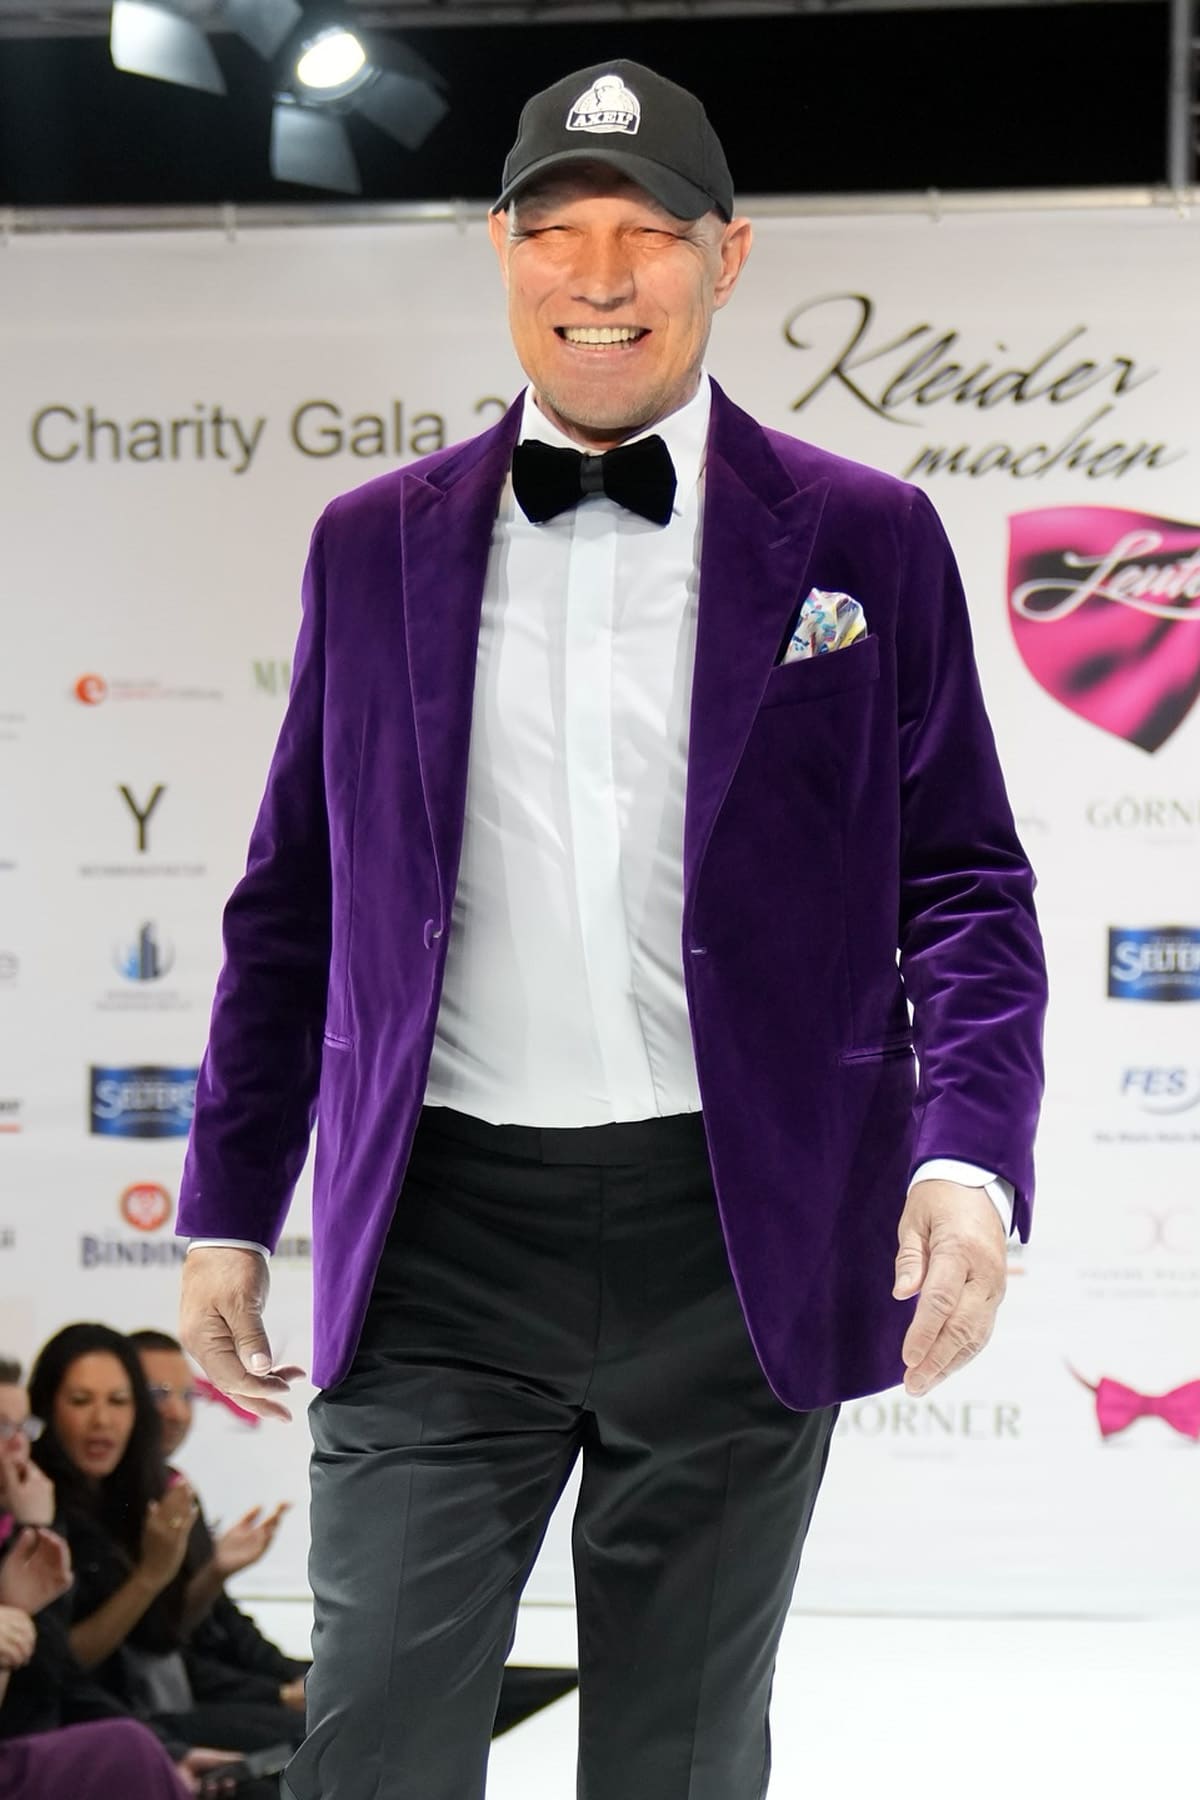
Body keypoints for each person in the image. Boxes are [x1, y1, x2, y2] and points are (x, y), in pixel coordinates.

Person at [178, 57, 1048, 1800]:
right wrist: (224, 1204)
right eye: (556, 232)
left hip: (734, 1237)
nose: (599, 277)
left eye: (646, 234)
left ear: (729, 254)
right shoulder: (370, 545)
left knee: (678, 1764)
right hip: (438, 1243)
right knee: (375, 1747)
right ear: (499, 250)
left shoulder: (868, 537)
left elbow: (963, 882)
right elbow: (295, 901)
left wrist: (968, 1158)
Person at [26, 1325, 302, 1761]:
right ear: (44, 1409)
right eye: (81, 1401)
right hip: (106, 1721)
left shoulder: (152, 1491)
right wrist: (278, 1693)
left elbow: (170, 1634)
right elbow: (65, 1667)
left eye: (118, 1401)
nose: (102, 1420)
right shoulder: (38, 1507)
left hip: (143, 1712)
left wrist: (213, 1573)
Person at [129, 1329, 307, 1715]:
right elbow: (152, 1648)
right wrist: (277, 1695)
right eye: (157, 1394)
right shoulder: (112, 1502)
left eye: (187, 1395)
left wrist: (302, 1677)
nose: (177, 1413)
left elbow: (218, 1620)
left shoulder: (178, 1488)